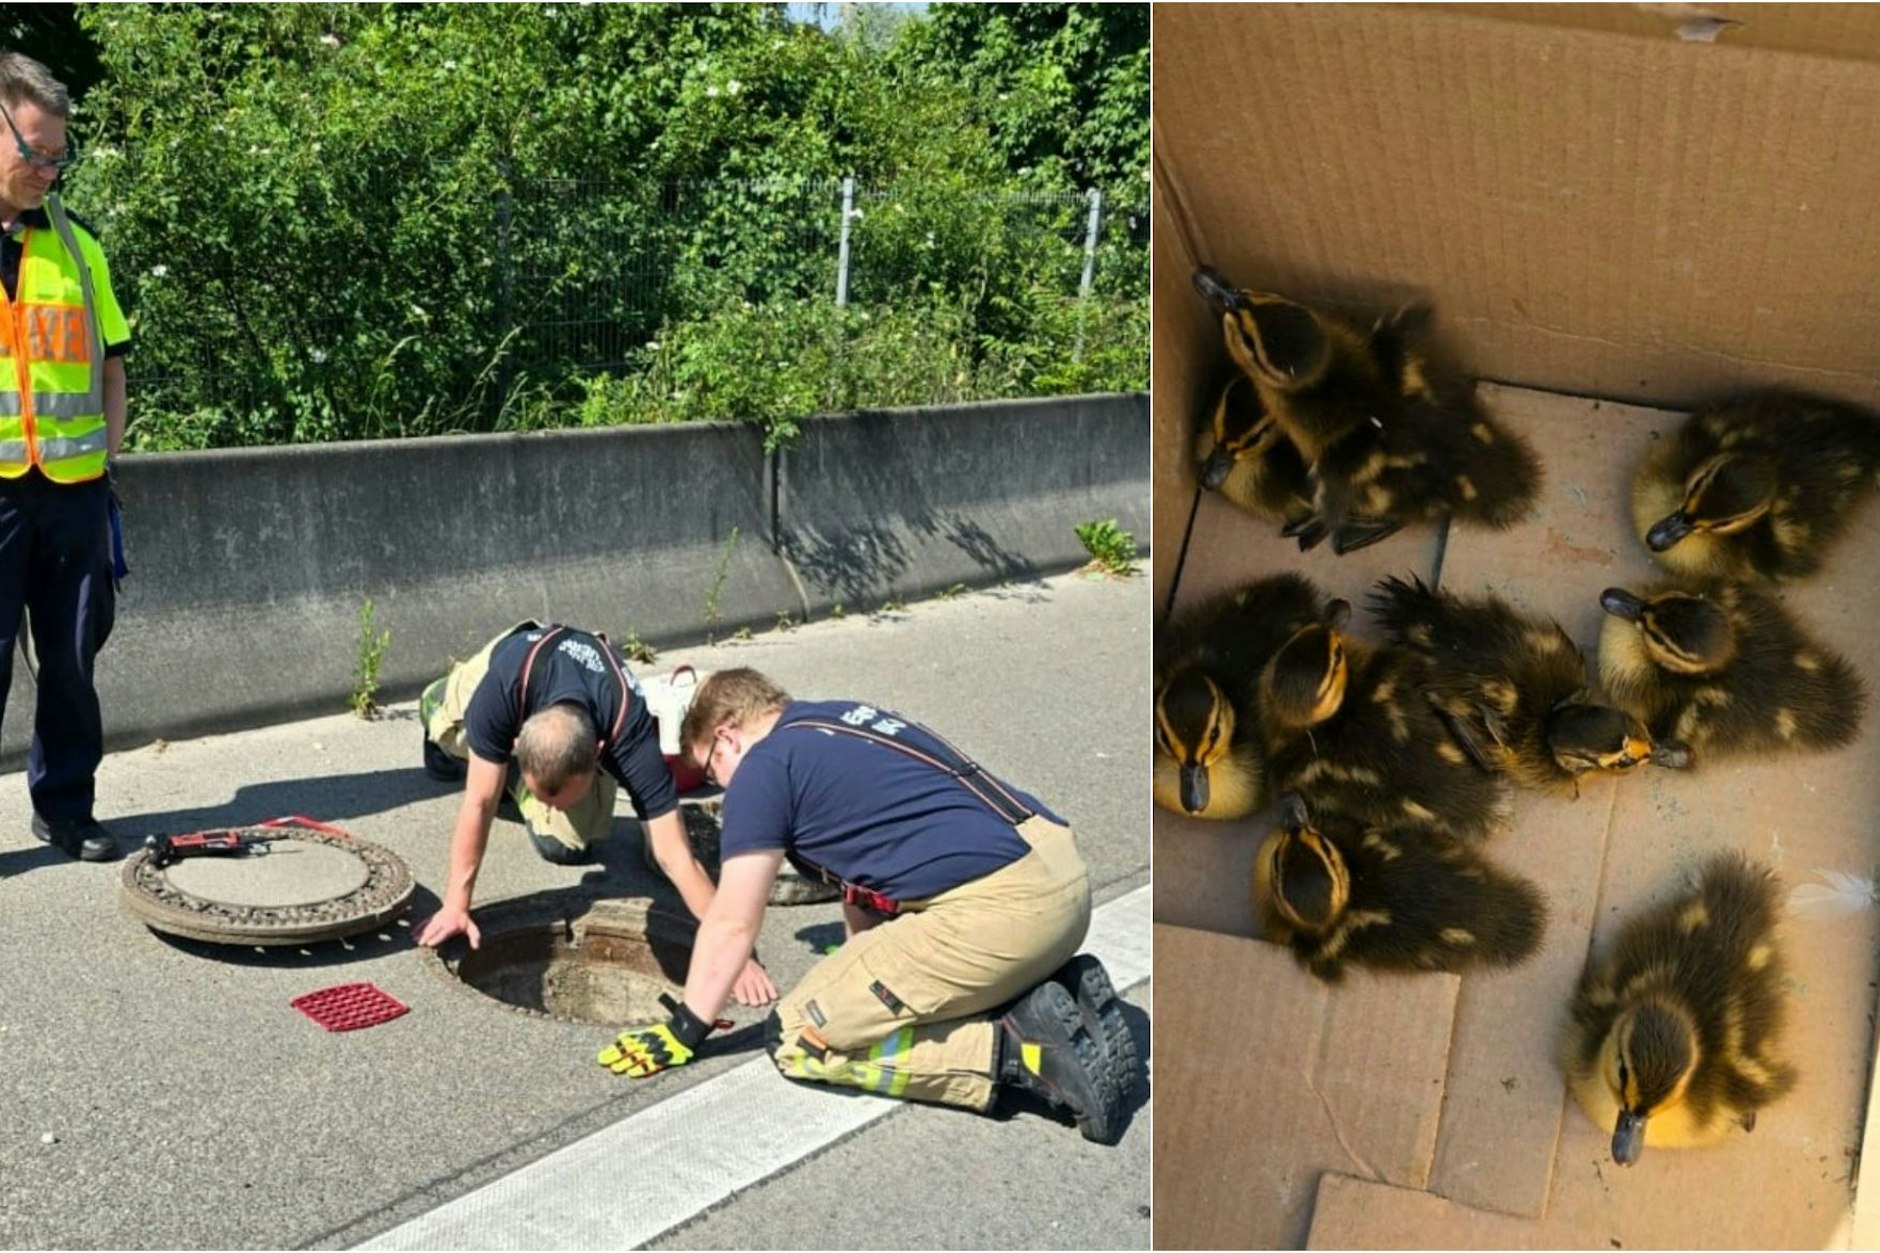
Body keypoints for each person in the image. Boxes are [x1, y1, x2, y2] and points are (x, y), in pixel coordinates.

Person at [597, 668, 1139, 1145]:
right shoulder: (840, 719)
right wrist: (862, 962)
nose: (716, 787)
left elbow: (733, 920)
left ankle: (1018, 1050)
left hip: (1002, 913)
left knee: (799, 1037)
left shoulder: (763, 768)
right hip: (1061, 878)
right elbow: (863, 865)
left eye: (710, 773)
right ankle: (1043, 993)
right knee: (859, 988)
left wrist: (686, 1027)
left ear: (726, 736)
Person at [411, 622, 776, 1007]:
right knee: (454, 731)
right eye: (545, 795)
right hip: (512, 659)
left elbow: (676, 857)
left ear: (600, 755)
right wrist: (456, 904)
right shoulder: (499, 693)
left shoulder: (631, 737)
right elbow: (478, 804)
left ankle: (511, 778)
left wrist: (736, 953)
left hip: (574, 713)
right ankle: (441, 710)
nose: (553, 805)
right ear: (520, 741)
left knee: (563, 846)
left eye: (558, 797)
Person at [0, 53, 132, 863]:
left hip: (76, 493)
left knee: (72, 665)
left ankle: (67, 807)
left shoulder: (80, 249)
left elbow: (113, 369)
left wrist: (104, 465)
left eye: (59, 156)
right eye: (34, 150)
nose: (49, 169)